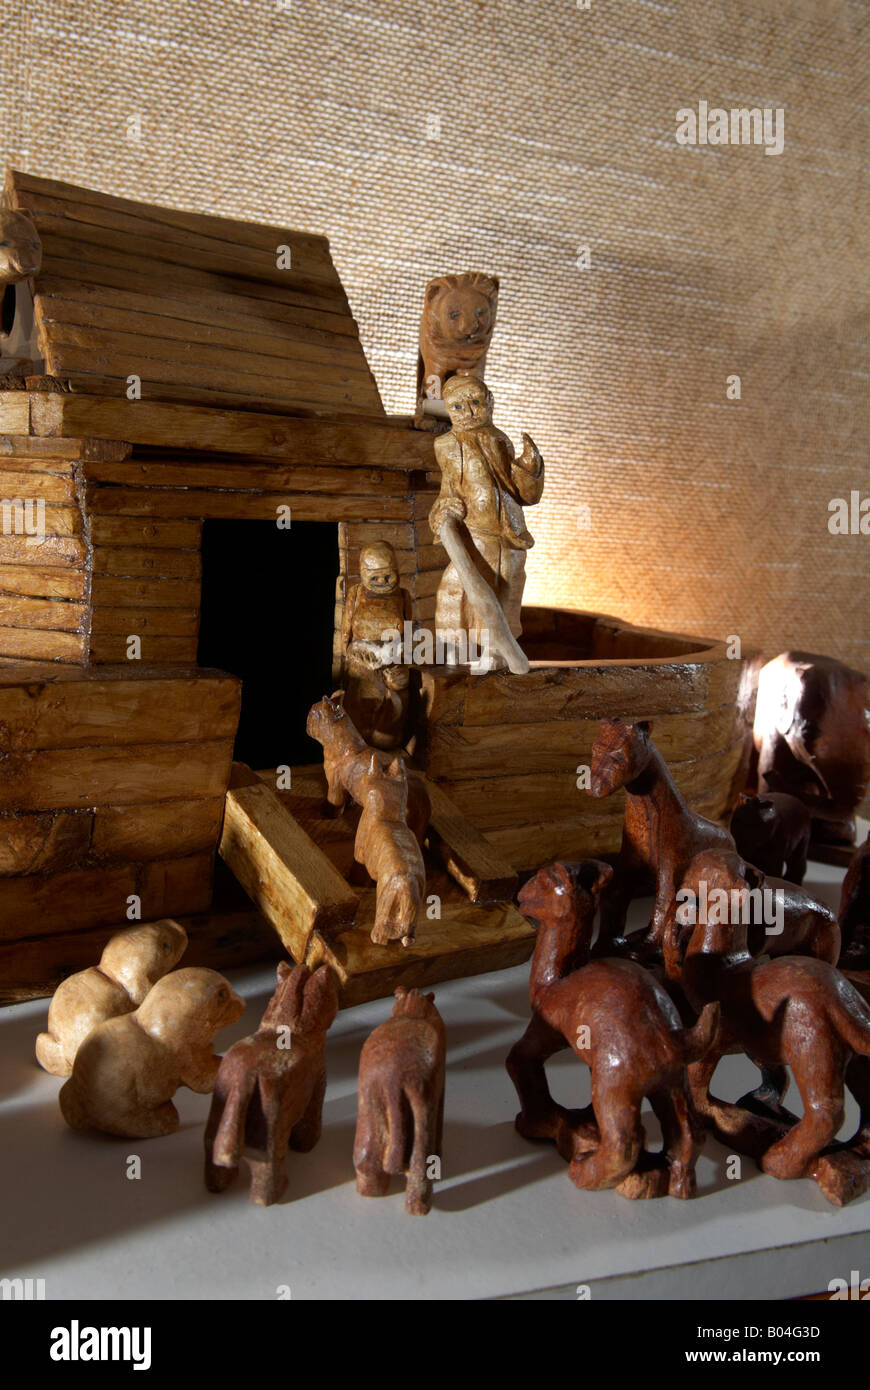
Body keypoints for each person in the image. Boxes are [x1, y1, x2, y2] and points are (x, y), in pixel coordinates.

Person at [428, 374, 544, 645]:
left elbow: (517, 492)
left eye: (476, 403)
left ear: (490, 402)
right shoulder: (445, 445)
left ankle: (496, 652)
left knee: (505, 589)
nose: (467, 413)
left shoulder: (498, 439)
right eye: (457, 407)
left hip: (505, 533)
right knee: (454, 589)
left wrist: (529, 470)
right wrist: (442, 511)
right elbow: (449, 488)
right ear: (447, 408)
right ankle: (456, 650)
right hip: (472, 533)